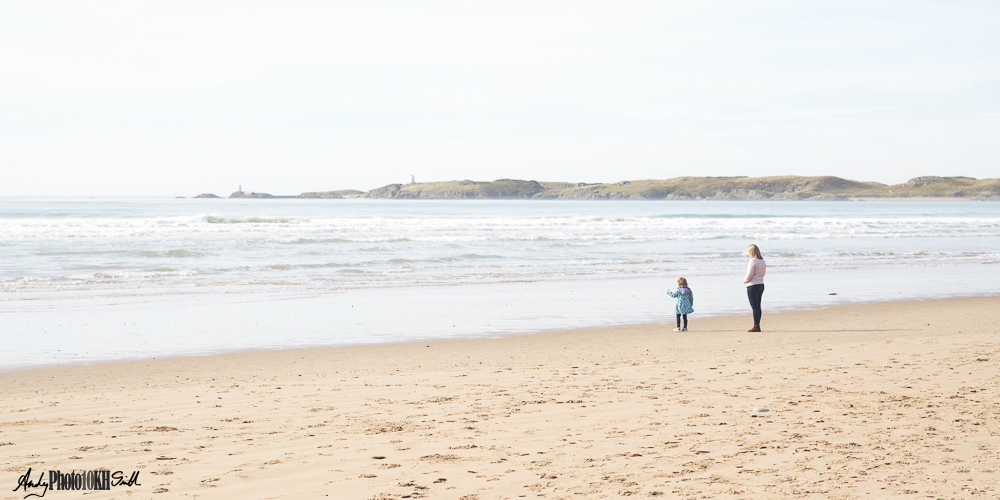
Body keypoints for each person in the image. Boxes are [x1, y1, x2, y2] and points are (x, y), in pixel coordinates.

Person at [743, 244, 766, 332]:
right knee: (758, 306)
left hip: (752, 285)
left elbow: (749, 275)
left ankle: (756, 326)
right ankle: (757, 325)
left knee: (754, 307)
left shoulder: (752, 261)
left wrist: (744, 281)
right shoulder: (762, 260)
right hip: (761, 284)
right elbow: (763, 273)